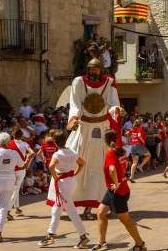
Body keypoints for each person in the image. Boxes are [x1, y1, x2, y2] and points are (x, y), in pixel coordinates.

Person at [48, 44, 125, 220]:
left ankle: (97, 204)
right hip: (83, 128)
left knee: (100, 168)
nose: (92, 72)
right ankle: (69, 201)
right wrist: (73, 119)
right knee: (76, 164)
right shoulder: (79, 82)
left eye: (95, 70)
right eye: (90, 69)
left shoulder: (109, 83)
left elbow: (113, 104)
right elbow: (74, 104)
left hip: (102, 128)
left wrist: (117, 110)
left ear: (100, 70)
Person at [93, 129, 147, 251]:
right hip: (115, 190)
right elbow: (127, 163)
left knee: (125, 219)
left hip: (118, 191)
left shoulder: (111, 153)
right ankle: (101, 241)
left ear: (105, 141)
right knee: (100, 212)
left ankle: (139, 243)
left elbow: (112, 169)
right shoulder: (120, 151)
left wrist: (116, 183)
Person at [38, 132, 89, 249]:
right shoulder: (72, 152)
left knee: (71, 212)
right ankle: (50, 235)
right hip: (71, 182)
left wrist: (55, 177)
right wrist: (73, 173)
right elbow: (82, 163)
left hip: (63, 185)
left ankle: (83, 236)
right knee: (56, 209)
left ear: (55, 143)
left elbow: (51, 166)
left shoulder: (58, 154)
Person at [0, 133, 34, 242]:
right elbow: (23, 166)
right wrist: (28, 159)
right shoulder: (14, 153)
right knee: (3, 207)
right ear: (8, 142)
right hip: (9, 181)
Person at [7, 126, 35, 219]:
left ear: (13, 135)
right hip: (21, 168)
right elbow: (32, 153)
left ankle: (17, 207)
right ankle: (8, 210)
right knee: (16, 189)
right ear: (22, 136)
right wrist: (28, 162)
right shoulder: (24, 144)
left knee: (15, 188)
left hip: (11, 168)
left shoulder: (9, 143)